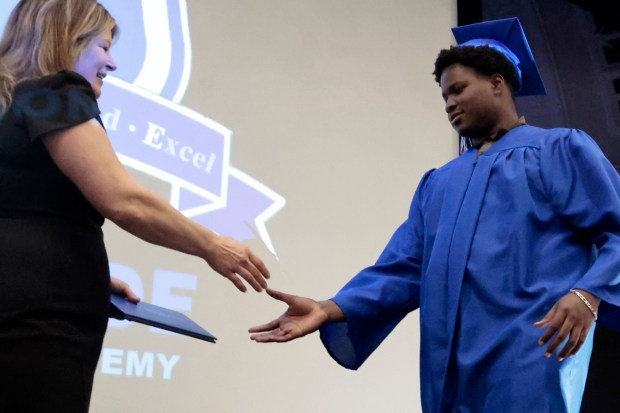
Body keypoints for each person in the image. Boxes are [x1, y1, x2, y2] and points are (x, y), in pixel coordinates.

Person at [249, 17, 620, 412]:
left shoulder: (558, 150)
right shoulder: (440, 183)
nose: (450, 104)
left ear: (498, 83)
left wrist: (587, 296)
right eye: (444, 97)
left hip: (532, 343)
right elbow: (404, 268)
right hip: (449, 359)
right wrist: (328, 308)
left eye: (459, 90)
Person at [0, 1, 270, 412]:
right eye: (103, 46)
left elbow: (23, 210)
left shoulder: (11, 104)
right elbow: (123, 200)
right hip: (37, 324)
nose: (112, 63)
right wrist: (212, 245)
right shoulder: (55, 93)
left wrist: (82, 273)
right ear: (68, 38)